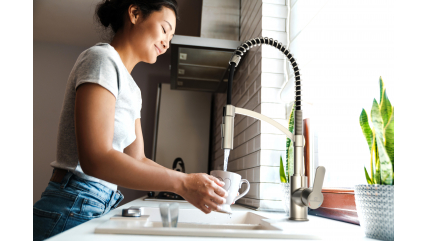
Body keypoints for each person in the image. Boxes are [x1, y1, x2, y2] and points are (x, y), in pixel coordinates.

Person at [33, 1, 228, 240]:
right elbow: (95, 158)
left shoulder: (133, 90)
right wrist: (183, 183)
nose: (167, 42)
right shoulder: (102, 59)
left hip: (98, 204)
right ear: (135, 14)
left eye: (172, 36)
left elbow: (138, 159)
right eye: (165, 29)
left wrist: (188, 183)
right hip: (73, 203)